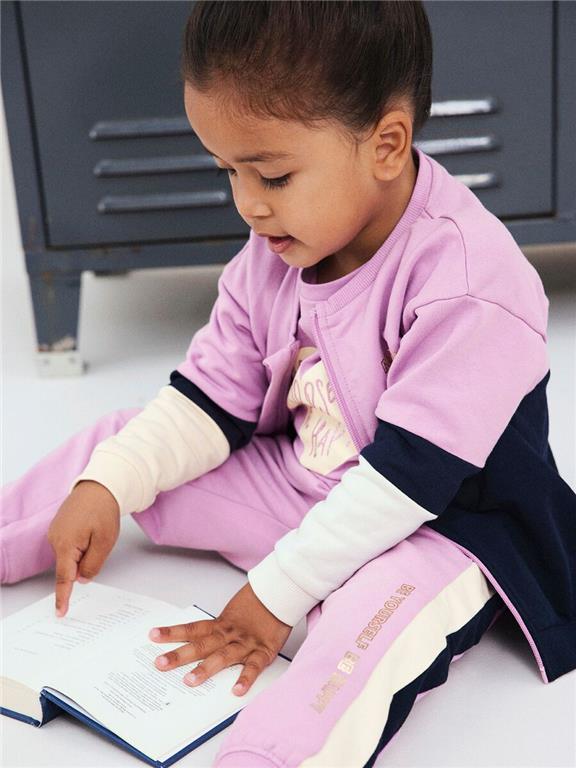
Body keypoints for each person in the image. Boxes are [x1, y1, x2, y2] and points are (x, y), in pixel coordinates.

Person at [2, 2, 575, 765]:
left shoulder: (471, 282)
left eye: (271, 174)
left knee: (364, 635)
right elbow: (209, 395)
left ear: (386, 144)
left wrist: (274, 597)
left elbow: (407, 483)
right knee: (119, 451)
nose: (247, 203)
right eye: (228, 171)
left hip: (437, 526)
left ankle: (271, 756)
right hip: (301, 484)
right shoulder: (280, 242)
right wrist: (109, 484)